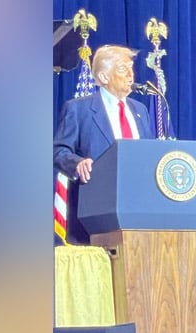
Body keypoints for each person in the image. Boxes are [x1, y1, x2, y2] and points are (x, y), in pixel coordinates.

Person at [54, 45, 155, 244]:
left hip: (138, 210)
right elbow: (58, 150)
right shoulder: (79, 109)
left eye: (131, 68)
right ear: (104, 77)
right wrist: (77, 163)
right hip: (96, 212)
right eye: (122, 69)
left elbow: (148, 154)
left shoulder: (140, 110)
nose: (130, 74)